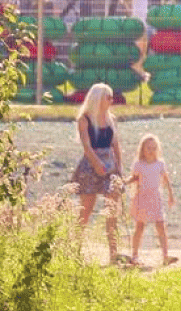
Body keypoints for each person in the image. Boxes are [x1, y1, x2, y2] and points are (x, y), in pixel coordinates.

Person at [72, 83, 127, 265]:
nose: (111, 100)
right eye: (108, 97)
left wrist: (119, 169)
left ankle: (113, 254)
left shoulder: (111, 119)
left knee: (112, 210)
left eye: (111, 97)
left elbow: (116, 146)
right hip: (91, 166)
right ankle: (74, 251)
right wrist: (97, 164)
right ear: (98, 98)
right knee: (86, 211)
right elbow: (87, 147)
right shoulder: (85, 120)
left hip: (110, 166)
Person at [127, 133, 177, 266]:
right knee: (140, 226)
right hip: (142, 198)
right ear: (142, 149)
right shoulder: (139, 164)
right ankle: (135, 255)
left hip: (156, 198)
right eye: (148, 148)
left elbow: (166, 180)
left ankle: (165, 256)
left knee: (161, 226)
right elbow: (135, 178)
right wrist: (124, 182)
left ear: (158, 149)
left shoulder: (160, 164)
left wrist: (171, 196)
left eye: (154, 148)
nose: (151, 151)